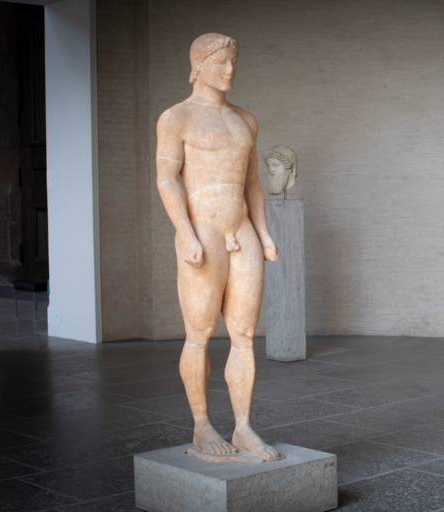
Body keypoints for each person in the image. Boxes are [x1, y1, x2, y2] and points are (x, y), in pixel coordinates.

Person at [156, 33, 281, 461]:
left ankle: (244, 428)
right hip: (203, 230)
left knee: (244, 335)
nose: (230, 71)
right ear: (199, 65)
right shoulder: (176, 117)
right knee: (200, 333)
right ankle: (201, 424)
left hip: (240, 229)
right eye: (221, 63)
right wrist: (185, 232)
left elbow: (251, 184)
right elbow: (166, 177)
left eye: (233, 63)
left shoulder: (246, 120)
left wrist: (264, 234)